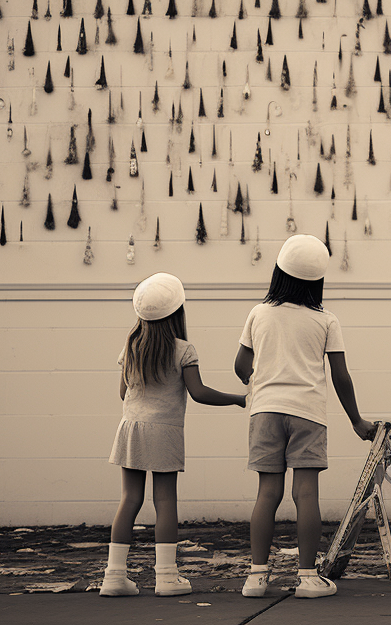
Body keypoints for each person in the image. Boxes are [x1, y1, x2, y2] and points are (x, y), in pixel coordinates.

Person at [235, 234, 375, 599]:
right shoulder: (326, 320)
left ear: (278, 273)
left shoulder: (258, 312)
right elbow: (340, 376)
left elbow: (241, 365)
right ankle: (309, 577)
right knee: (306, 494)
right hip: (308, 414)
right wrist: (356, 421)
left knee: (267, 493)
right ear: (319, 280)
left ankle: (256, 577)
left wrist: (261, 384)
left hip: (265, 410)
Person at [102, 273, 247, 597]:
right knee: (165, 501)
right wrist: (238, 399)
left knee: (130, 499)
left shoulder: (131, 346)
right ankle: (166, 577)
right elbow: (198, 392)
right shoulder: (183, 349)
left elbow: (123, 392)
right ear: (176, 313)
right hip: (164, 432)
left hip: (130, 428)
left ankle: (114, 576)